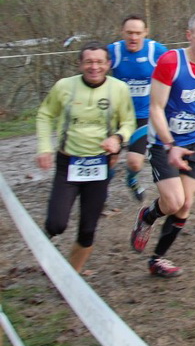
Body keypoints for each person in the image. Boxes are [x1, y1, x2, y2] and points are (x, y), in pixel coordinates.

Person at [130, 12, 195, 277]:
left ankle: (158, 259)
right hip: (163, 143)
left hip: (193, 142)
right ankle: (148, 216)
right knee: (174, 202)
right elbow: (155, 108)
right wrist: (169, 144)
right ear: (189, 36)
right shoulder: (171, 62)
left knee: (186, 205)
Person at [36, 41, 136, 273]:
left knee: (88, 228)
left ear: (108, 64)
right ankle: (43, 245)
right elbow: (44, 114)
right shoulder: (64, 87)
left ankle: (72, 276)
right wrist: (44, 147)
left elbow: (129, 121)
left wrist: (118, 139)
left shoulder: (118, 88)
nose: (94, 67)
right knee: (56, 223)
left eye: (100, 62)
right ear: (80, 64)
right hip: (68, 163)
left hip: (99, 164)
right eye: (89, 62)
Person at [108, 14, 169, 201]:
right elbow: (95, 73)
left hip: (143, 115)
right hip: (117, 116)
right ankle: (100, 191)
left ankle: (132, 179)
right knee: (109, 160)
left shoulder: (156, 51)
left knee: (135, 163)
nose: (133, 38)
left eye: (137, 33)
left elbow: (173, 72)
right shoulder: (113, 52)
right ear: (122, 32)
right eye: (129, 33)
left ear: (145, 33)